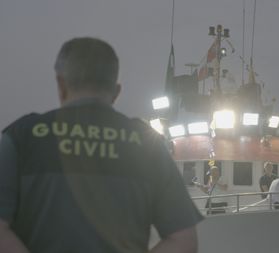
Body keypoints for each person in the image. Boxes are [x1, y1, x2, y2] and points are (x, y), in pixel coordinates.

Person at [0, 37, 203, 253]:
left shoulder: (21, 137)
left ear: (61, 85)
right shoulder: (147, 144)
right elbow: (183, 240)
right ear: (116, 92)